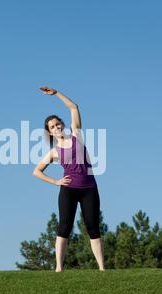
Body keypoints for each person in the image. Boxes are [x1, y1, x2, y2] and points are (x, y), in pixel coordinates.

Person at [32, 86, 105, 272]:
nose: (56, 128)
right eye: (52, 127)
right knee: (64, 227)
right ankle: (59, 268)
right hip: (68, 190)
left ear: (62, 125)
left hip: (89, 188)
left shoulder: (76, 136)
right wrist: (56, 182)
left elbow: (74, 107)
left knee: (93, 227)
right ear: (49, 132)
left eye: (58, 124)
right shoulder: (54, 152)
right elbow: (37, 171)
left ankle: (102, 269)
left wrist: (56, 94)